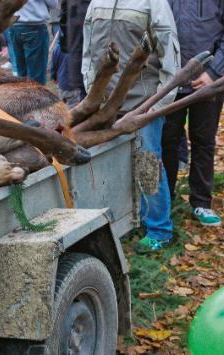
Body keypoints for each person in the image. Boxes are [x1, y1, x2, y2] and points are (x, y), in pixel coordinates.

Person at [82, 0, 180, 253]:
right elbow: (87, 49)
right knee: (113, 163)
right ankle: (128, 219)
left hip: (142, 103)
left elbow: (169, 50)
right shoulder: (96, 2)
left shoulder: (152, 3)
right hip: (105, 105)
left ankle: (159, 229)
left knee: (147, 162)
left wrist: (160, 102)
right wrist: (92, 92)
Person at [161, 0, 224, 227]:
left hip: (207, 83)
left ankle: (201, 202)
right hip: (169, 82)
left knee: (203, 140)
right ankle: (164, 201)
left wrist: (214, 72)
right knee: (166, 140)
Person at [7, 0, 57, 85]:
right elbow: (53, 4)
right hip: (34, 26)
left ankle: (23, 97)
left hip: (14, 26)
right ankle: (34, 97)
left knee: (22, 75)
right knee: (36, 79)